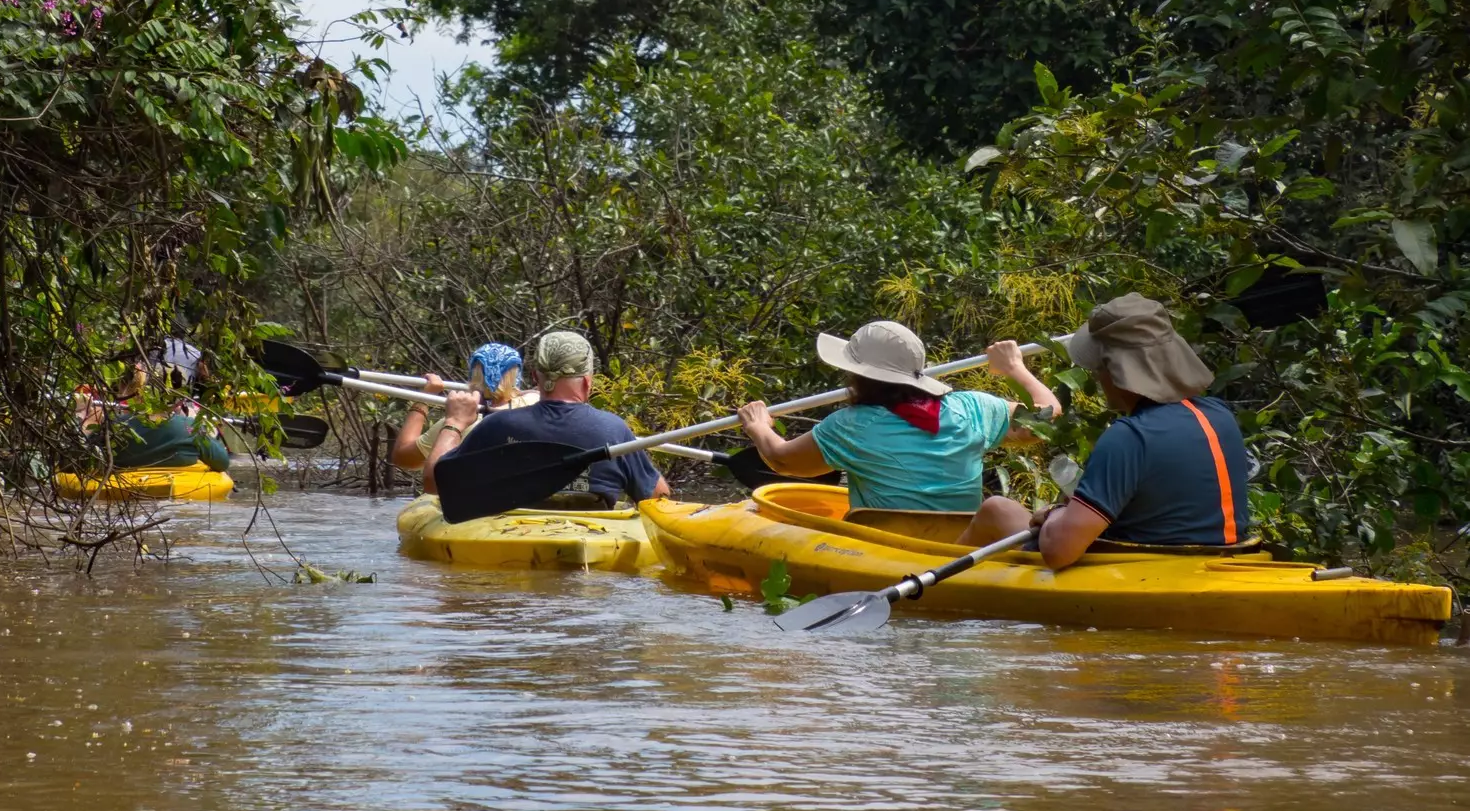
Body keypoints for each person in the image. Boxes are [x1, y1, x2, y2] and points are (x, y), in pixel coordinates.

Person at [733, 320, 1060, 545]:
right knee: (1000, 509)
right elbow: (1047, 421)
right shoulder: (972, 408)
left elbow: (783, 461)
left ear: (857, 375)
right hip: (964, 548)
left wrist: (759, 427)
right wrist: (1015, 367)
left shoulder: (850, 425)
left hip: (888, 551)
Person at [1029, 293, 1251, 569]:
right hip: (1224, 561)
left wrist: (1054, 514)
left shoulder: (1129, 436)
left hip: (1150, 570)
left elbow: (1059, 552)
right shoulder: (1218, 414)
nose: (1099, 377)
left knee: (997, 510)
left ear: (1116, 371)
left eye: (1100, 367)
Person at [423, 330, 668, 506]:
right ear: (587, 381)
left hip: (514, 539)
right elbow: (658, 497)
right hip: (593, 542)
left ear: (535, 376)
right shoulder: (613, 430)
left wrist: (454, 423)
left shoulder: (497, 425)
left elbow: (435, 485)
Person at [389, 342, 538, 472]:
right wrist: (516, 392)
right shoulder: (536, 401)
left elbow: (402, 457)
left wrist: (423, 399)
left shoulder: (460, 421)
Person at [76, 355, 230, 473]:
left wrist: (88, 426)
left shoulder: (113, 426)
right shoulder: (192, 428)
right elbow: (222, 463)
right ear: (180, 401)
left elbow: (77, 462)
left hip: (127, 493)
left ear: (142, 392)